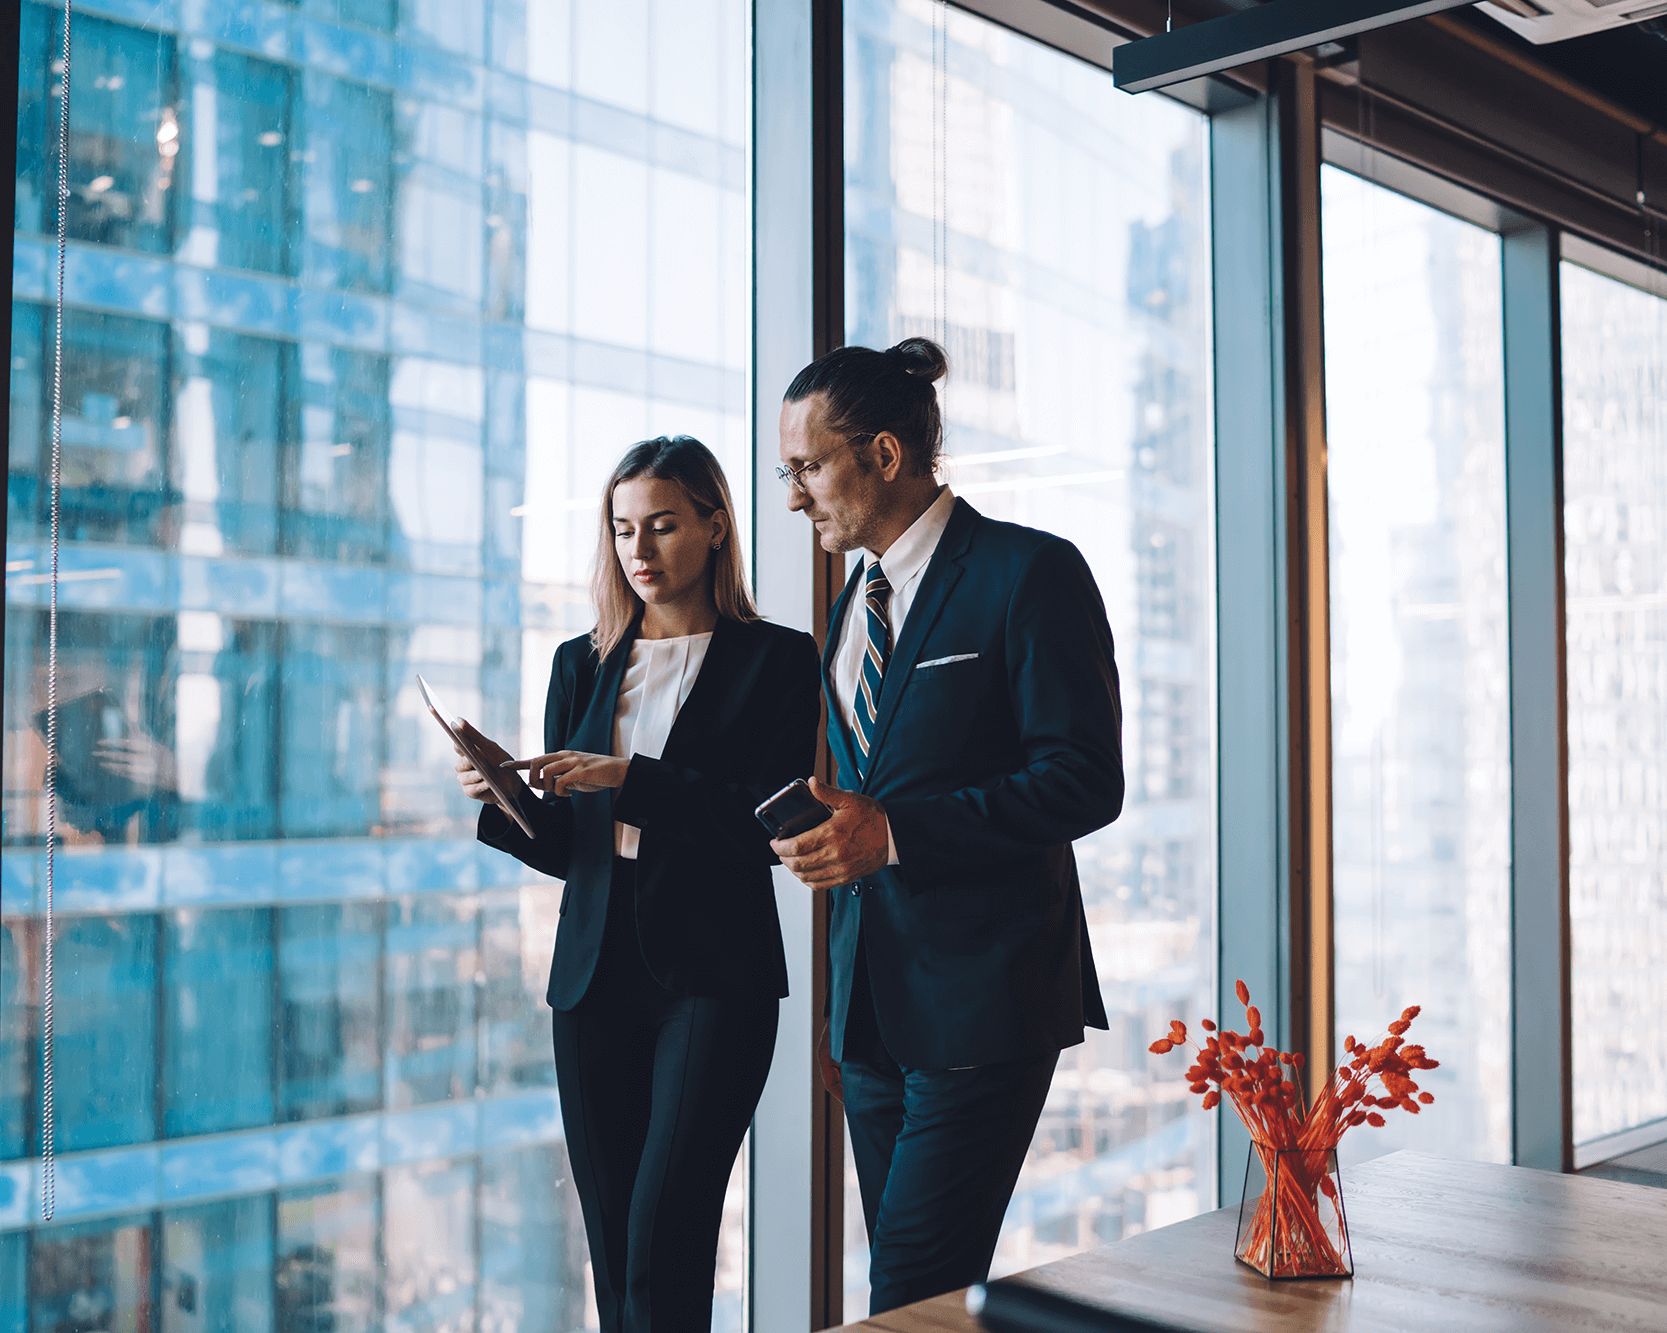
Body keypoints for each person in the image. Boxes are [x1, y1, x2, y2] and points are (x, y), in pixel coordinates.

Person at [770, 338, 1124, 1313]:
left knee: (911, 1283)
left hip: (985, 998)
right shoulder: (850, 603)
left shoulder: (1028, 573)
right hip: (871, 1013)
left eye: (806, 467)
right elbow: (865, 783)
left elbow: (1084, 779)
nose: (793, 496)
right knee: (915, 1302)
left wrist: (892, 832)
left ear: (882, 455)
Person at [451, 436, 820, 1333]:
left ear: (715, 524)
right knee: (614, 1255)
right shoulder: (582, 661)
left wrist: (629, 778)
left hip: (711, 980)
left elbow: (765, 828)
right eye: (622, 531)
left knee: (666, 1239)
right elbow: (572, 849)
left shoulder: (776, 658)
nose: (639, 552)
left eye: (661, 525)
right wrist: (504, 799)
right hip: (592, 974)